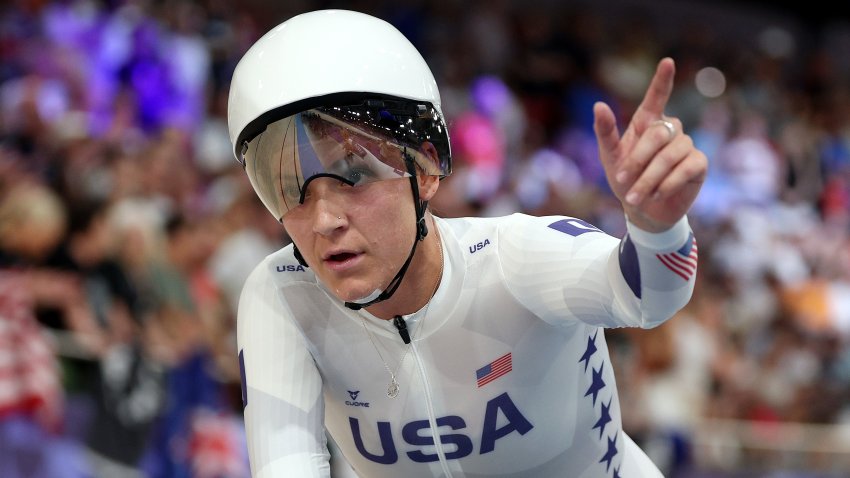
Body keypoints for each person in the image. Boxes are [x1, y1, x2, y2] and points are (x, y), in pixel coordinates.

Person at [228, 9, 706, 478]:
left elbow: (649, 297)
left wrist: (656, 227)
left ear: (427, 169)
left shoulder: (517, 258)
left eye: (354, 175)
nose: (325, 221)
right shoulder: (282, 296)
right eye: (292, 191)